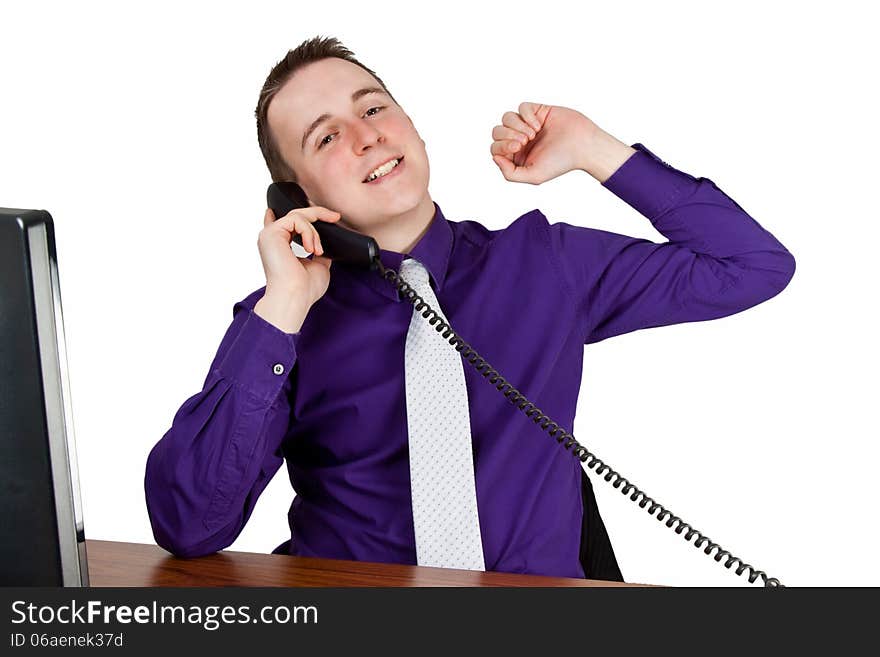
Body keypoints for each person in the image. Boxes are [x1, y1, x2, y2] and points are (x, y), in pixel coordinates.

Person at [144, 35, 796, 581]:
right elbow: (189, 523)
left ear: (412, 126)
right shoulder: (280, 323)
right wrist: (283, 305)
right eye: (326, 138)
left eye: (373, 108)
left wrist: (596, 150)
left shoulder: (545, 263)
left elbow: (752, 266)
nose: (366, 137)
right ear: (294, 195)